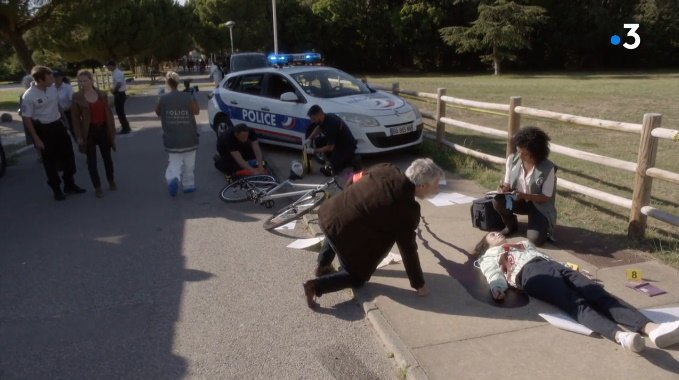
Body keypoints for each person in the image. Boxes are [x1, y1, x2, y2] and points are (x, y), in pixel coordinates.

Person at [474, 231, 679, 353]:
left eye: (497, 231)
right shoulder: (490, 256)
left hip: (552, 266)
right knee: (574, 302)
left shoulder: (522, 243)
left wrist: (572, 268)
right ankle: (621, 337)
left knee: (597, 293)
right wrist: (497, 288)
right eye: (491, 235)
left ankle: (652, 329)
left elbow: (543, 255)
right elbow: (493, 274)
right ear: (487, 245)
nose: (497, 233)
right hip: (530, 275)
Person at [302, 158, 444, 309]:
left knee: (338, 227)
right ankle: (315, 286)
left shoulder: (387, 167)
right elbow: (408, 249)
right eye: (435, 186)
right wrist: (419, 284)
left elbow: (355, 178)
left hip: (330, 213)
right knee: (357, 277)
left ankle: (322, 265)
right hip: (343, 227)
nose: (437, 190)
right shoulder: (408, 209)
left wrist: (348, 199)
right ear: (422, 186)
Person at [21, 65, 86, 200]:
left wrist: (65, 123)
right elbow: (27, 118)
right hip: (43, 129)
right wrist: (36, 139)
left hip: (58, 125)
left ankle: (69, 184)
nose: (53, 78)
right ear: (40, 79)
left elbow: (57, 105)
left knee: (68, 156)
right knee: (50, 161)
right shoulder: (29, 96)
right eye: (50, 76)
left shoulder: (52, 89)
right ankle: (56, 189)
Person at [493, 126, 556, 246]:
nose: (520, 156)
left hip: (539, 205)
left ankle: (543, 225)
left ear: (536, 153)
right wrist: (503, 188)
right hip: (518, 200)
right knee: (497, 200)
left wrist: (524, 195)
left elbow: (546, 197)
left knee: (535, 240)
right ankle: (510, 225)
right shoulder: (512, 159)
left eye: (525, 154)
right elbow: (507, 183)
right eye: (518, 151)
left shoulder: (548, 168)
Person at [71, 70, 117, 198]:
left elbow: (108, 113)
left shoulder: (102, 94)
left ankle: (111, 180)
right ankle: (97, 187)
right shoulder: (77, 97)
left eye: (85, 80)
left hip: (102, 129)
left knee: (107, 158)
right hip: (88, 131)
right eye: (80, 81)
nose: (82, 83)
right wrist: (79, 136)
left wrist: (111, 130)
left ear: (91, 80)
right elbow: (75, 119)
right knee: (91, 161)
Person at [155, 71, 200, 196]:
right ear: (178, 82)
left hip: (172, 137)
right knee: (189, 163)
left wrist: (159, 97)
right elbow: (196, 111)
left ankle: (174, 178)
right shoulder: (187, 96)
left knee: (174, 162)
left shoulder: (164, 98)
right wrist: (193, 96)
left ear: (167, 83)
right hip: (189, 136)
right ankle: (189, 185)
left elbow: (157, 112)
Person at [304, 105, 358, 176]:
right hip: (338, 142)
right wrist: (309, 138)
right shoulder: (326, 117)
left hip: (346, 147)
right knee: (318, 141)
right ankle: (333, 160)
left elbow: (330, 147)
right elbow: (319, 128)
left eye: (313, 118)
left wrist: (314, 151)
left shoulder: (331, 124)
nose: (312, 121)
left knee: (329, 172)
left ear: (318, 115)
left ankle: (351, 160)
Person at [106, 60, 131, 134]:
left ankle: (125, 128)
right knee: (119, 111)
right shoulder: (115, 72)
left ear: (112, 66)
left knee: (120, 112)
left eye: (108, 67)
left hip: (119, 93)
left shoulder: (117, 73)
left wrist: (114, 90)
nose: (108, 68)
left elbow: (119, 83)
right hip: (118, 93)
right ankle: (125, 126)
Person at [53, 70, 74, 141]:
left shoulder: (67, 87)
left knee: (72, 129)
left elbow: (72, 101)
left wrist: (64, 109)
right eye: (54, 77)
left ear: (61, 77)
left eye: (57, 77)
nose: (55, 79)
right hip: (56, 114)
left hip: (68, 112)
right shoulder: (51, 89)